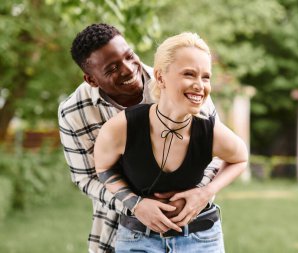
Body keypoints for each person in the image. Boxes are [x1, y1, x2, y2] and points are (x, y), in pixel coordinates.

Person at [58, 24, 222, 253]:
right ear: (91, 80)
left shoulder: (182, 83)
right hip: (120, 229)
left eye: (129, 56)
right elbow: (85, 178)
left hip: (192, 227)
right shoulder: (74, 112)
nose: (127, 69)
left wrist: (198, 194)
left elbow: (218, 152)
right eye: (112, 68)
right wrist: (136, 206)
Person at [94, 32, 248, 252]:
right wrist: (135, 204)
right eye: (189, 74)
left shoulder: (209, 130)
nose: (199, 85)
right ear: (160, 77)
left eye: (205, 77)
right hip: (137, 240)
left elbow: (240, 158)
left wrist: (206, 193)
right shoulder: (122, 127)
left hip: (201, 240)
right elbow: (103, 168)